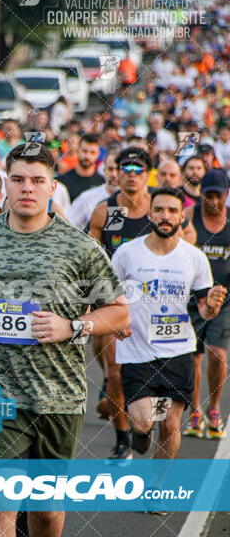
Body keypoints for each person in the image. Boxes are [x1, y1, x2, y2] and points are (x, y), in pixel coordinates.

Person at [0, 143, 130, 537]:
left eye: (37, 180)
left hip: (57, 396)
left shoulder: (80, 247)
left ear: (52, 187)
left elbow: (119, 312)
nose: (27, 188)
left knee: (44, 513)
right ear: (5, 186)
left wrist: (73, 326)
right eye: (18, 179)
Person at [90, 148, 196, 459]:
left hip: (159, 307)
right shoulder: (104, 211)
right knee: (114, 373)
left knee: (140, 393)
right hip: (116, 305)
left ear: (147, 174)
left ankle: (144, 422)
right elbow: (91, 253)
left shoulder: (161, 206)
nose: (132, 175)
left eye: (139, 170)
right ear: (117, 173)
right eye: (126, 169)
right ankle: (124, 438)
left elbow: (187, 239)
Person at [112, 187, 226, 458]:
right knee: (142, 421)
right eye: (160, 210)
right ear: (150, 214)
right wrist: (116, 322)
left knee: (171, 425)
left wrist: (211, 305)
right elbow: (109, 297)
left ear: (181, 217)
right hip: (137, 351)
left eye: (173, 211)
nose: (166, 216)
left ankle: (156, 491)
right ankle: (143, 429)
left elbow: (205, 311)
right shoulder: (127, 254)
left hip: (178, 352)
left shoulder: (194, 257)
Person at [184, 169, 230, 439]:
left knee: (218, 354)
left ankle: (214, 407)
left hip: (224, 299)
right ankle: (193, 411)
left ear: (225, 195)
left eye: (217, 196)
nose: (212, 202)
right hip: (194, 298)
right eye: (207, 196)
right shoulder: (190, 217)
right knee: (193, 357)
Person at [66, 150, 118, 230]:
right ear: (104, 171)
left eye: (118, 169)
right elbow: (67, 227)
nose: (114, 174)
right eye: (110, 169)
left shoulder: (138, 199)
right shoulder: (87, 198)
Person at [57, 134, 104, 202]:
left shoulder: (102, 184)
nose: (88, 156)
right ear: (78, 151)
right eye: (84, 151)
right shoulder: (62, 181)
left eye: (92, 152)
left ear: (98, 154)